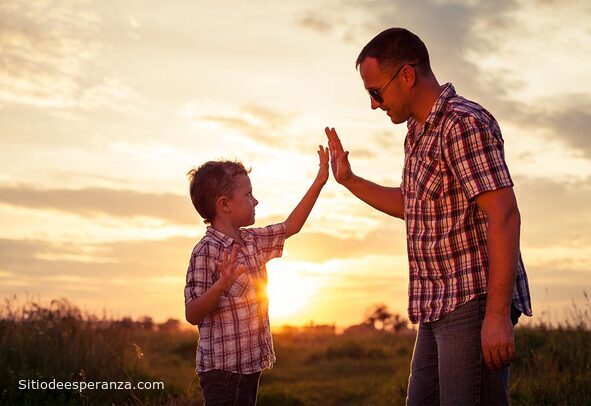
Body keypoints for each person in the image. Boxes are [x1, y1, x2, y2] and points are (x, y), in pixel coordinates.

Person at [325, 27, 532, 405]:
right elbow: (414, 205)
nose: (374, 104)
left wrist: (498, 316)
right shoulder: (417, 131)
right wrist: (350, 181)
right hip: (436, 301)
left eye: (375, 92)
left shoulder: (463, 123)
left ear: (406, 75)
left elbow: (504, 216)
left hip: (473, 299)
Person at [183, 146, 329, 406]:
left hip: (250, 367)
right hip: (222, 372)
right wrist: (221, 285)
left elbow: (291, 226)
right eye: (248, 194)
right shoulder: (206, 251)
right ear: (224, 205)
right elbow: (192, 313)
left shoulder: (252, 240)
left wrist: (320, 180)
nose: (256, 201)